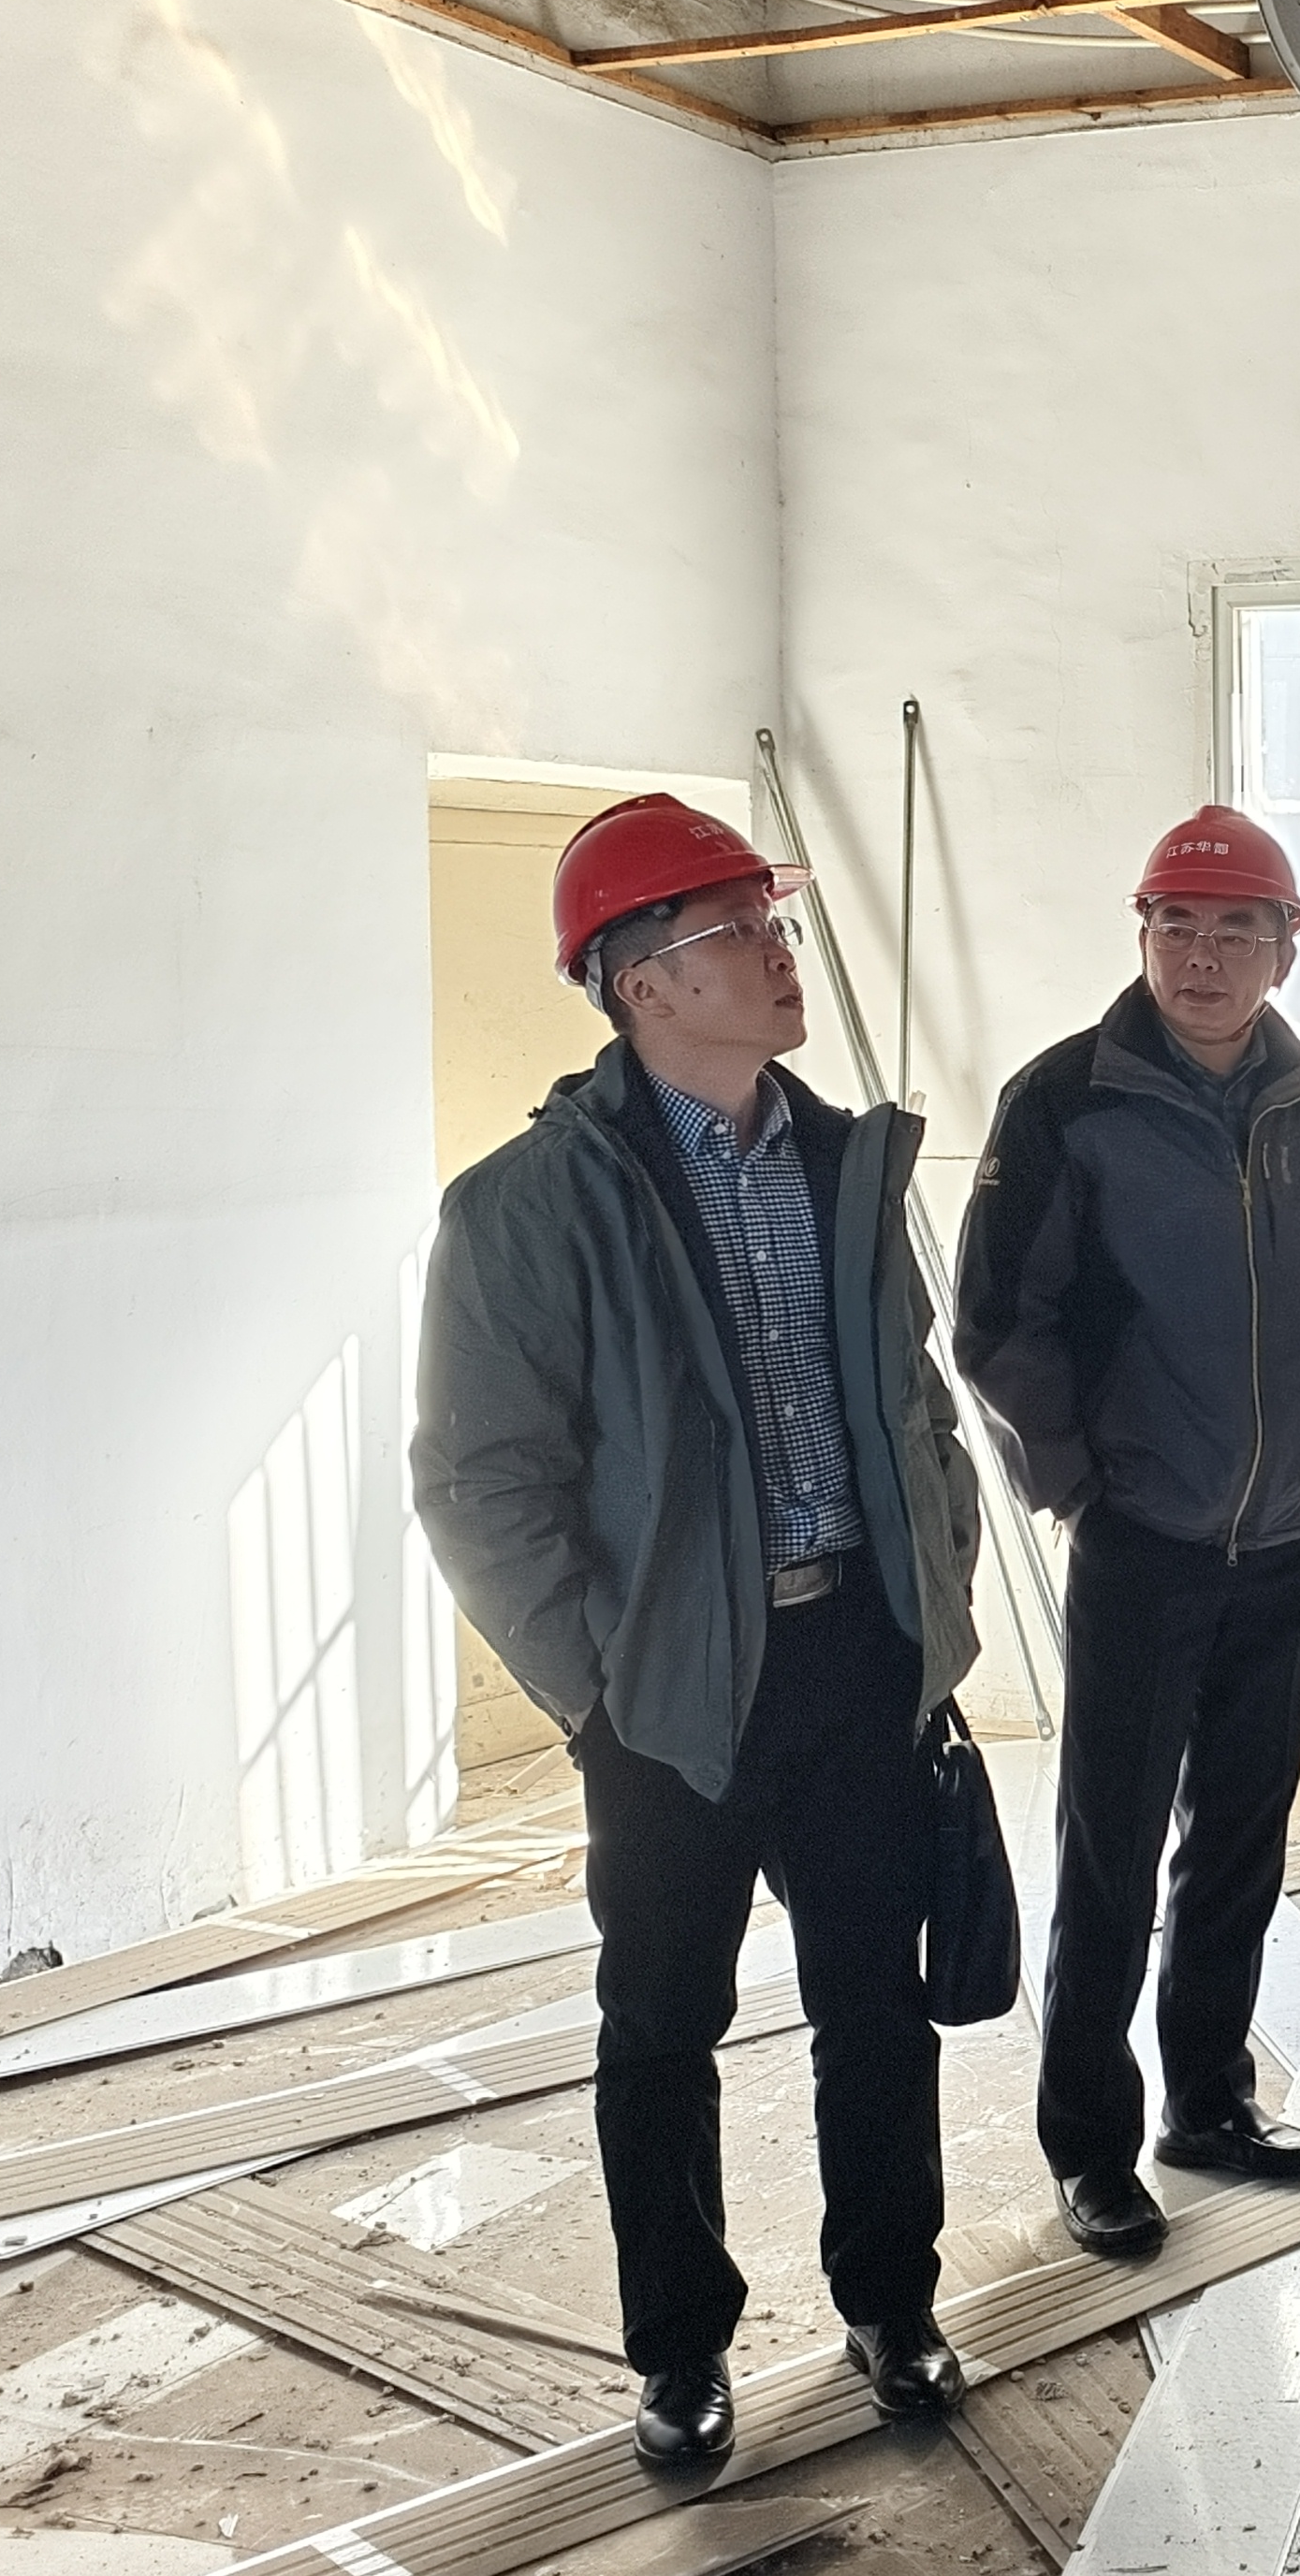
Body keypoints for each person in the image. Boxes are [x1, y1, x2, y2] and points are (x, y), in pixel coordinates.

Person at [412, 793, 981, 2468]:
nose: (782, 956)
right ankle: (680, 2354)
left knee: (877, 2003)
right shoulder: (525, 1207)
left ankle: (891, 2303)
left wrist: (934, 1597)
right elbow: (480, 1481)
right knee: (663, 2025)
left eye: (775, 926)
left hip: (855, 1658)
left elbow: (914, 1403)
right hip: (668, 1694)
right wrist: (596, 1690)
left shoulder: (845, 1163)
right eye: (743, 932)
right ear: (643, 981)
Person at [956, 808, 1300, 2259]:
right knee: (1112, 1848)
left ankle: (1210, 2099)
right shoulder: (1065, 1102)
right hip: (1146, 1535)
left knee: (1243, 1835)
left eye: (1233, 931)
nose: (1200, 957)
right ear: (1142, 934)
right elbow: (999, 1323)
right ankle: (1091, 2146)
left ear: (1286, 949)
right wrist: (1085, 1482)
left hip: (1295, 1532)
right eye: (1175, 927)